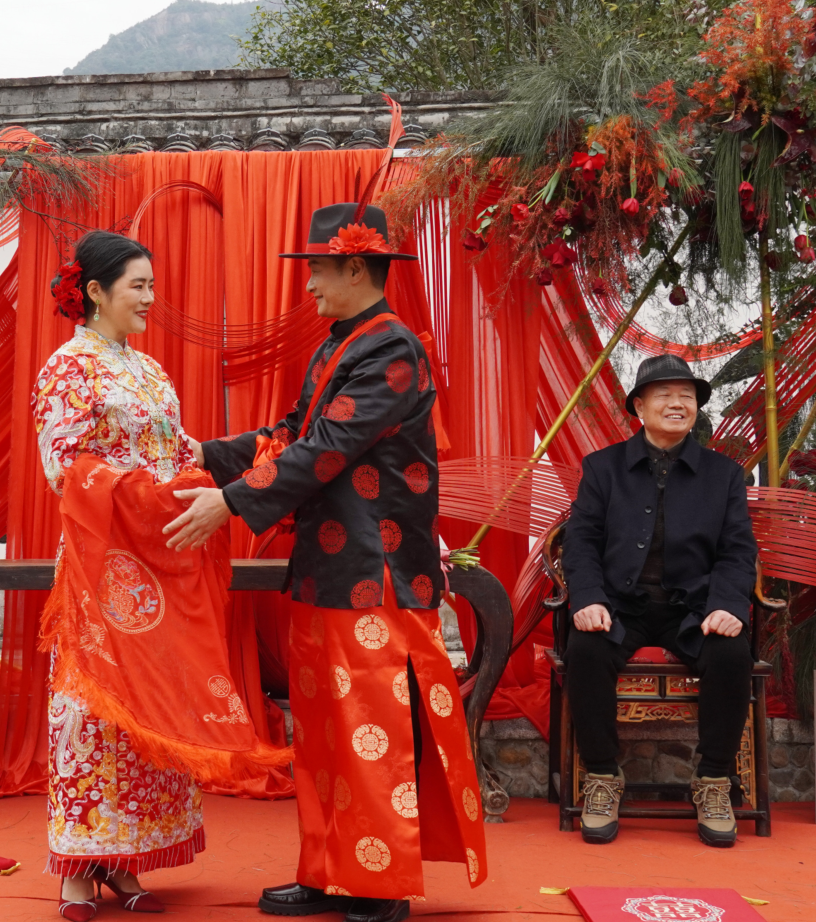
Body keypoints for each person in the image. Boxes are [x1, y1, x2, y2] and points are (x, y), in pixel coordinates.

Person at [164, 204, 487, 922]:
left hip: (377, 571)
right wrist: (203, 454)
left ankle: (379, 883)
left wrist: (230, 500)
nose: (308, 284)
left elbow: (326, 449)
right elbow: (291, 433)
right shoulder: (341, 344)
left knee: (371, 730)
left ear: (354, 267)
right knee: (323, 736)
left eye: (316, 269)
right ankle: (327, 868)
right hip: (329, 568)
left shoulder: (393, 349)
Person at [33, 231, 201, 920]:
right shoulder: (67, 368)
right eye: (139, 286)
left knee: (148, 709)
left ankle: (125, 860)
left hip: (157, 560)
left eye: (152, 285)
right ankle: (78, 868)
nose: (150, 298)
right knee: (89, 710)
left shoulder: (151, 371)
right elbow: (63, 465)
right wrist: (140, 494)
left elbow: (180, 449)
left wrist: (206, 481)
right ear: (96, 291)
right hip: (100, 562)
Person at [562, 354, 759, 847]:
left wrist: (727, 605)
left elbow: (738, 551)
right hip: (619, 604)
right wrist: (587, 597)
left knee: (731, 653)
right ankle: (601, 777)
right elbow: (581, 542)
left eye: (686, 396)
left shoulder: (725, 474)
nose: (677, 404)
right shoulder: (602, 468)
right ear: (639, 407)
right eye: (665, 395)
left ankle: (714, 781)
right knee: (586, 648)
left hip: (692, 608)